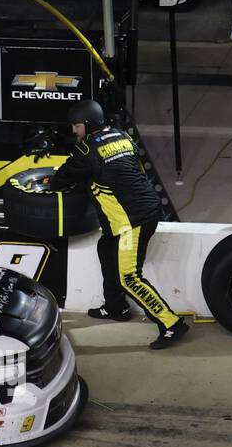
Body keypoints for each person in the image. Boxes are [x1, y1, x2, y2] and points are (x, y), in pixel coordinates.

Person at [48, 100, 190, 349]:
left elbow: (59, 180)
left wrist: (54, 179)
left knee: (130, 278)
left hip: (132, 222)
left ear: (88, 124)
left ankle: (171, 324)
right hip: (145, 209)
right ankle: (116, 307)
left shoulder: (86, 150)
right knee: (106, 248)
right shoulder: (120, 134)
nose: (74, 131)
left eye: (77, 126)